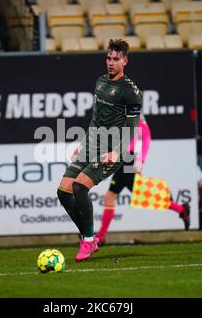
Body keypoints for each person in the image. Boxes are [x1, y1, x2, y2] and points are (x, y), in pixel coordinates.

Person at [57, 39, 142, 262]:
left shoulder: (130, 92)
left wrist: (117, 152)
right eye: (108, 58)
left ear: (125, 61)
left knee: (78, 186)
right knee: (63, 191)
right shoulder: (100, 82)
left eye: (116, 59)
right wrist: (84, 145)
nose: (111, 63)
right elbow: (95, 120)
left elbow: (133, 129)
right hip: (93, 144)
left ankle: (87, 241)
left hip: (113, 149)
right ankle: (90, 236)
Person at [96, 114, 191, 245]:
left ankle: (100, 237)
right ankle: (181, 209)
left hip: (126, 159)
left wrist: (141, 160)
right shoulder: (115, 107)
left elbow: (146, 136)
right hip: (120, 158)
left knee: (112, 196)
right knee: (141, 194)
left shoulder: (133, 110)